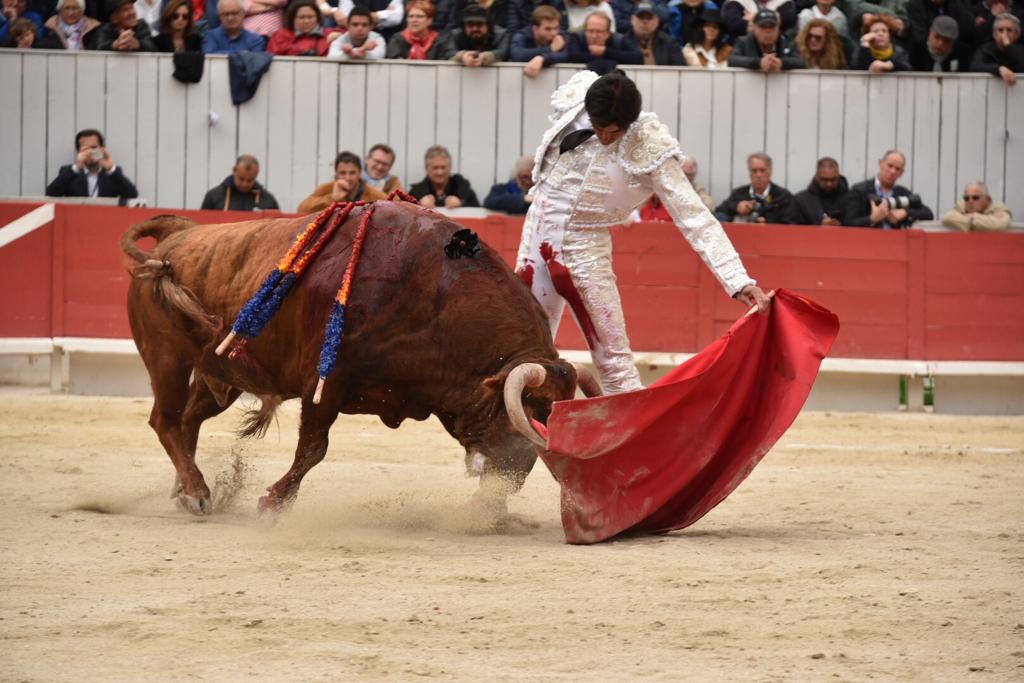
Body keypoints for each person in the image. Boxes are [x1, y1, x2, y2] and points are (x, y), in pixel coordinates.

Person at [516, 70, 769, 394]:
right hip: (535, 234)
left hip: (584, 247)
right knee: (524, 347)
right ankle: (519, 423)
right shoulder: (578, 96)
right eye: (598, 128)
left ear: (629, 123)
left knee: (614, 361)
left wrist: (738, 280)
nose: (604, 137)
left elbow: (693, 214)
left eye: (613, 132)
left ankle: (631, 425)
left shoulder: (648, 144)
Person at [842, 149, 934, 228]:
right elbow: (847, 222)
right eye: (890, 166)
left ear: (901, 173)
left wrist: (905, 212)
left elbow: (928, 213)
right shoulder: (859, 190)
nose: (892, 171)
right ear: (880, 163)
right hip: (867, 241)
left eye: (897, 169)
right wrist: (872, 219)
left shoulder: (902, 192)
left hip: (896, 241)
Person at [46, 128, 139, 201]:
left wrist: (111, 169)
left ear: (102, 149)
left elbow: (132, 194)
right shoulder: (69, 171)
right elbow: (51, 193)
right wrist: (77, 167)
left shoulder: (113, 172)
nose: (90, 152)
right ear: (78, 151)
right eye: (85, 149)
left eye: (94, 147)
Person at [297, 151, 387, 214]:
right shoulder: (325, 189)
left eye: (352, 173)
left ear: (360, 173)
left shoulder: (374, 194)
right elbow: (301, 210)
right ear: (336, 174)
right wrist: (331, 198)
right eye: (343, 173)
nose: (347, 178)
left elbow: (391, 209)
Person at [714, 152, 794, 224]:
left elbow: (791, 224)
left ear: (770, 172)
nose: (758, 175)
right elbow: (718, 212)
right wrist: (737, 207)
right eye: (754, 170)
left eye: (762, 170)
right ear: (749, 172)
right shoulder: (738, 194)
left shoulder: (783, 197)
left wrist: (768, 222)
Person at [428, 2, 510, 65]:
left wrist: (485, 57)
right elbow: (448, 52)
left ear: (488, 25)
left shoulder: (500, 35)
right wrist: (462, 56)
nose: (475, 28)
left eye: (479, 24)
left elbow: (503, 52)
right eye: (470, 25)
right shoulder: (456, 35)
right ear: (464, 26)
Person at [727, 8, 805, 71]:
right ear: (754, 29)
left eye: (772, 27)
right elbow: (732, 60)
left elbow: (803, 61)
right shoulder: (743, 42)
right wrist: (759, 63)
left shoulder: (788, 42)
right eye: (763, 27)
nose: (768, 31)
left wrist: (781, 63)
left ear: (778, 29)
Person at [639, 156, 714, 220]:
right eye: (683, 173)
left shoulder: (696, 188)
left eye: (689, 175)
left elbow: (709, 206)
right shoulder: (665, 185)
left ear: (693, 176)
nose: (685, 178)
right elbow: (640, 206)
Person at [408, 145, 480, 208]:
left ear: (450, 167)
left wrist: (461, 203)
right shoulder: (416, 192)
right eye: (435, 168)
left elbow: (478, 211)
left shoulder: (463, 188)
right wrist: (419, 205)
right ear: (426, 168)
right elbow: (405, 214)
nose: (440, 172)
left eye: (443, 167)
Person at [201, 155, 279, 211]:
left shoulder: (268, 200)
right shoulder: (213, 196)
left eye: (250, 180)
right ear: (234, 170)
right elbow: (201, 226)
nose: (245, 184)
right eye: (241, 179)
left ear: (257, 173)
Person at [786, 157, 849, 225]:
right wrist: (819, 226)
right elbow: (793, 226)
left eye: (833, 180)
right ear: (817, 176)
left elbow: (854, 223)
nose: (829, 184)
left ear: (838, 177)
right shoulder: (800, 200)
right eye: (824, 179)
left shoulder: (851, 199)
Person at [510, 4, 569, 77]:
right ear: (535, 28)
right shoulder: (521, 35)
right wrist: (551, 49)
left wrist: (542, 58)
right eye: (548, 29)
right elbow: (517, 55)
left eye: (556, 28)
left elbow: (566, 55)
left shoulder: (561, 35)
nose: (554, 33)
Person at [567, 10, 642, 67]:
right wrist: (607, 60)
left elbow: (638, 58)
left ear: (608, 33)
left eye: (599, 32)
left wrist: (605, 51)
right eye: (590, 31)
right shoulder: (577, 38)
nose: (594, 36)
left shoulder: (618, 40)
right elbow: (574, 56)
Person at [972, 13, 1024, 84]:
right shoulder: (985, 49)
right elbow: (975, 66)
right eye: (1000, 30)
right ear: (994, 34)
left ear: (1016, 35)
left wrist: (1008, 46)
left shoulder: (1021, 50)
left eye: (1009, 30)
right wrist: (999, 69)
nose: (1004, 34)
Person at [941, 181, 1012, 231]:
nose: (970, 201)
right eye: (966, 198)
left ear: (988, 199)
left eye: (975, 198)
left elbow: (998, 225)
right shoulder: (962, 206)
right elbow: (947, 217)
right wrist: (981, 222)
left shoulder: (998, 208)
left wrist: (972, 216)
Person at [202, 0, 266, 52]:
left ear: (243, 14)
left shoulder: (256, 41)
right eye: (226, 14)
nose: (230, 18)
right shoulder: (210, 37)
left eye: (234, 13)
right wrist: (243, 54)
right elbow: (209, 55)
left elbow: (255, 61)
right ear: (220, 16)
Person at [721, 0, 797, 41]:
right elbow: (735, 25)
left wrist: (753, 17)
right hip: (744, 48)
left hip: (778, 47)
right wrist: (774, 17)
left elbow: (788, 19)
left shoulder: (784, 2)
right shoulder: (736, 2)